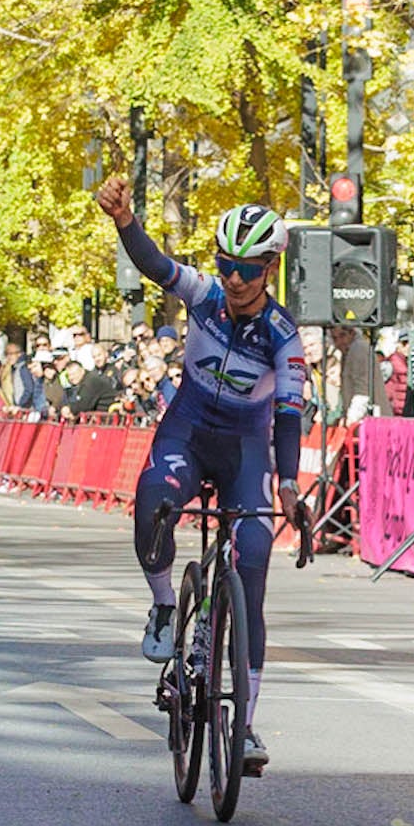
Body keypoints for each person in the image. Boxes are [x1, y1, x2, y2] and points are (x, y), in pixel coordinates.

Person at [96, 174, 308, 778]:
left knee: (256, 563)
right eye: (227, 264)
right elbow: (156, 264)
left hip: (244, 449)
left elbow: (289, 414)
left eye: (248, 268)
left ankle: (242, 728)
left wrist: (288, 484)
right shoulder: (205, 294)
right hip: (187, 429)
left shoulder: (284, 337)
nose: (235, 278)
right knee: (152, 499)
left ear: (271, 268)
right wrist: (125, 221)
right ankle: (165, 605)